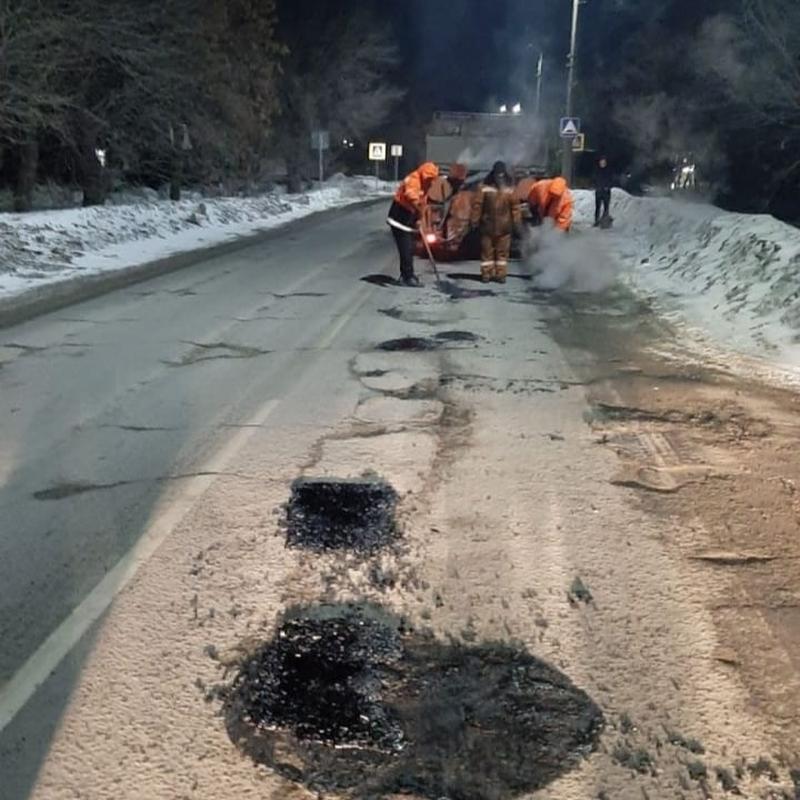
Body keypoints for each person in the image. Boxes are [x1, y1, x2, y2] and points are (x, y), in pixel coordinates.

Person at [386, 162, 466, 286]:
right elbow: (411, 196)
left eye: (433, 179)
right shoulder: (412, 180)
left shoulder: (425, 184)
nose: (431, 181)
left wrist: (419, 218)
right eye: (429, 178)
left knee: (409, 248)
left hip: (408, 219)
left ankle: (407, 274)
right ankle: (407, 277)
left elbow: (422, 203)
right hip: (399, 218)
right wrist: (418, 207)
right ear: (423, 174)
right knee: (406, 248)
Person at [470, 160, 521, 283]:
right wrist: (474, 220)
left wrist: (517, 223)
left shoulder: (506, 188)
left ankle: (500, 275)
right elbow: (477, 205)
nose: (499, 177)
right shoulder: (488, 188)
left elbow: (515, 207)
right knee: (488, 252)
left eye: (501, 174)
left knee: (500, 253)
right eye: (498, 174)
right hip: (492, 226)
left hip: (498, 227)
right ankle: (487, 275)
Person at [594, 156, 612, 226]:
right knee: (597, 207)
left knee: (606, 207)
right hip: (599, 191)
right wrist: (596, 187)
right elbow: (595, 179)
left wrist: (608, 186)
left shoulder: (608, 171)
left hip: (606, 192)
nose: (602, 163)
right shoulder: (597, 171)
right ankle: (596, 220)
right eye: (601, 162)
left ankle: (605, 222)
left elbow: (611, 180)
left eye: (604, 162)